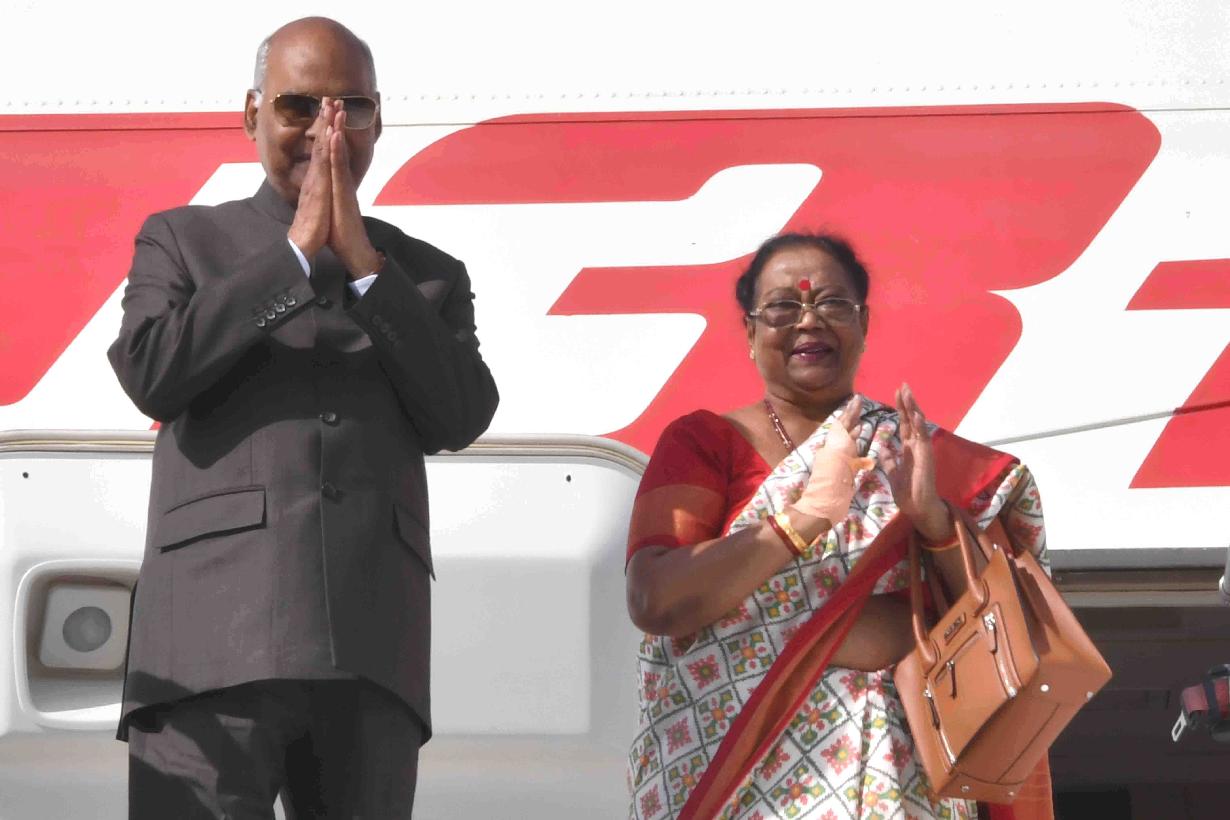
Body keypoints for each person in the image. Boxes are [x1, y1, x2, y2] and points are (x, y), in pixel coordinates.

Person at [106, 16, 498, 819]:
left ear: (378, 123)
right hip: (208, 641)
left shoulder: (425, 275)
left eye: (352, 108)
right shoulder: (182, 240)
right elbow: (150, 372)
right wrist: (292, 254)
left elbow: (460, 413)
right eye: (299, 107)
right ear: (252, 114)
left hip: (371, 649)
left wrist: (366, 269)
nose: (327, 131)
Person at [624, 234, 1051, 819]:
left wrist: (932, 521)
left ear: (863, 323)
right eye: (783, 306)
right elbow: (656, 599)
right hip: (733, 785)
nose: (808, 321)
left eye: (831, 303)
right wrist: (802, 520)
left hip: (895, 780)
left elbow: (1010, 632)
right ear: (750, 332)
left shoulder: (916, 455)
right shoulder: (705, 443)